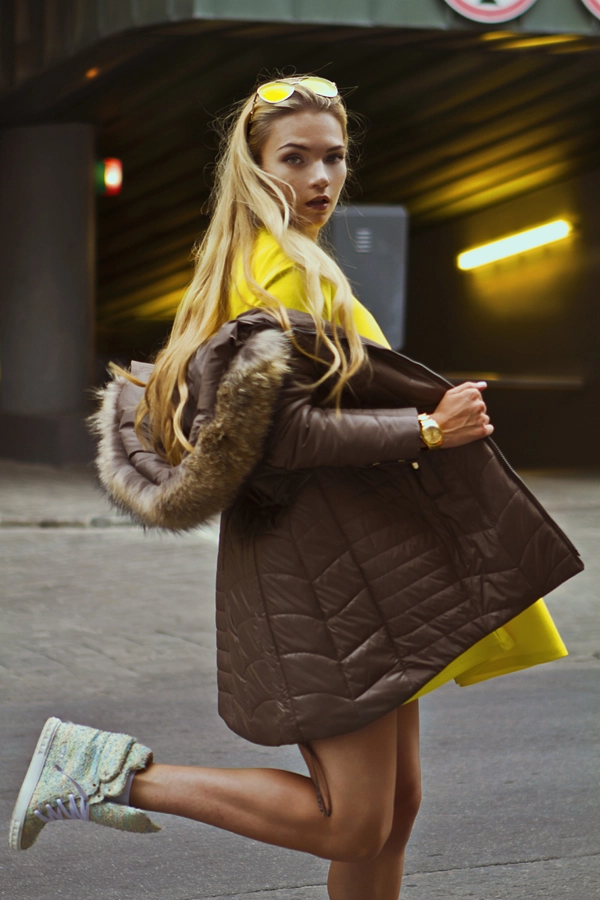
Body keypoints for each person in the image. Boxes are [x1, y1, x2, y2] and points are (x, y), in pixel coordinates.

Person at [9, 75, 583, 900]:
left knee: (395, 808)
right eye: (295, 159)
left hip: (349, 559)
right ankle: (104, 772)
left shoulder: (283, 262)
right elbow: (280, 437)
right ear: (254, 167)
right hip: (322, 573)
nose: (320, 178)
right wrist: (428, 428)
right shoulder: (276, 272)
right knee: (354, 821)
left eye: (334, 158)